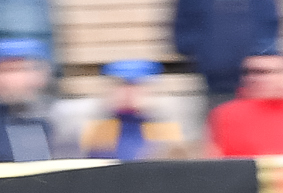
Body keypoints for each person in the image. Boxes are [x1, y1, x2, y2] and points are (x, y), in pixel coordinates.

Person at [57, 56, 190, 158]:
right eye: (120, 85)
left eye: (137, 86)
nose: (128, 93)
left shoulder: (166, 131)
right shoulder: (95, 131)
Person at [204, 49, 283, 158]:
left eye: (278, 72)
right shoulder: (225, 115)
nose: (266, 79)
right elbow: (213, 159)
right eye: (257, 72)